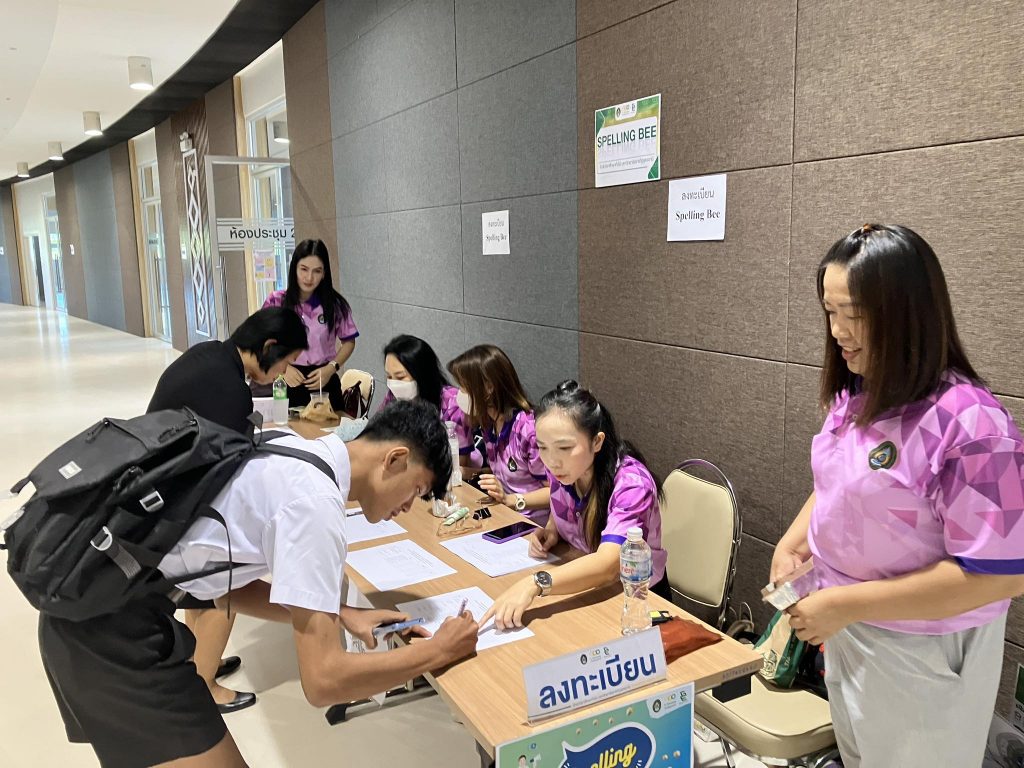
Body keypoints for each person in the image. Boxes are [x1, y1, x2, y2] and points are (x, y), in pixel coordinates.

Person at [38, 400, 480, 768]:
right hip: (109, 636)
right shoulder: (316, 505)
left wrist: (340, 612)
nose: (408, 506)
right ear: (395, 459)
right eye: (416, 490)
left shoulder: (290, 447)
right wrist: (438, 651)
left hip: (97, 609)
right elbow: (324, 680)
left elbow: (224, 587)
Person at [772, 224, 1024, 768]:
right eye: (829, 311)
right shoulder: (860, 395)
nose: (838, 331)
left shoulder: (973, 424)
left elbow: (1002, 575)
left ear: (908, 312)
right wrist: (794, 543)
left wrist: (844, 603)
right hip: (850, 632)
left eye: (854, 313)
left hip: (923, 651)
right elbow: (841, 484)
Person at [147, 306, 308, 712]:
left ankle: (200, 660)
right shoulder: (230, 388)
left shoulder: (209, 356)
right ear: (269, 347)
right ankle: (203, 685)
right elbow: (229, 469)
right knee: (223, 577)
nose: (283, 373)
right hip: (180, 504)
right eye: (285, 362)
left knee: (198, 588)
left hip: (162, 495)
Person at [483, 380, 667, 630]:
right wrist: (552, 529)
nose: (552, 461)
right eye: (542, 447)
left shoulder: (633, 484)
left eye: (565, 447)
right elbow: (563, 506)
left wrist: (533, 583)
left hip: (637, 602)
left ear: (597, 442)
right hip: (588, 586)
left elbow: (607, 565)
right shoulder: (565, 470)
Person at [448, 344, 550, 520]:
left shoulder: (528, 429)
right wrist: (468, 472)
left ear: (488, 388)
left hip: (533, 522)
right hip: (504, 514)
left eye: (464, 387)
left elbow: (555, 492)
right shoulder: (489, 422)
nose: (460, 393)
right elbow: (507, 472)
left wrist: (510, 500)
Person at [263, 238, 358, 411]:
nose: (309, 277)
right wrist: (283, 368)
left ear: (324, 273)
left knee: (331, 427)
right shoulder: (276, 301)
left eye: (317, 271)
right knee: (286, 427)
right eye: (304, 269)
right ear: (294, 268)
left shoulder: (336, 305)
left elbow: (349, 342)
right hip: (288, 380)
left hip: (324, 380)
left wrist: (332, 367)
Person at [377, 334, 480, 465]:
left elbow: (461, 463)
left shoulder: (452, 404)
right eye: (389, 376)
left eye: (400, 377)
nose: (393, 384)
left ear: (422, 374)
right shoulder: (393, 396)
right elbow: (378, 434)